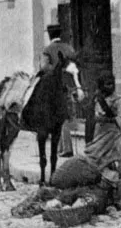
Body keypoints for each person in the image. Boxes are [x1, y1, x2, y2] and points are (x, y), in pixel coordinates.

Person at [41, 24, 79, 157]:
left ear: (49, 35)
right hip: (69, 85)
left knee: (57, 116)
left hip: (54, 87)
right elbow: (74, 64)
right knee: (66, 116)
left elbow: (44, 67)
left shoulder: (48, 49)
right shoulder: (69, 48)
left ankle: (66, 148)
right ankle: (62, 147)